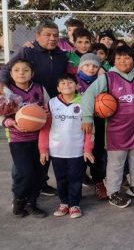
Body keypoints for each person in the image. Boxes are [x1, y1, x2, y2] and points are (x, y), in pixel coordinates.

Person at [81, 45, 134, 208]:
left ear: (133, 59)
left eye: (127, 57)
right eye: (119, 58)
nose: (123, 61)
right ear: (114, 61)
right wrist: (87, 117)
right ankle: (113, 192)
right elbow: (88, 95)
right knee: (116, 162)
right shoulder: (108, 77)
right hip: (117, 128)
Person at [0, 20, 67, 196]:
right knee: (23, 160)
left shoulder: (61, 54)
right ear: (37, 36)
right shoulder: (27, 50)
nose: (52, 38)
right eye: (47, 34)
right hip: (28, 109)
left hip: (53, 107)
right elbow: (6, 70)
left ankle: (41, 183)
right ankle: (19, 194)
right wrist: (4, 91)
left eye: (55, 35)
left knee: (45, 148)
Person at [38, 75, 94, 219]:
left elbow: (89, 129)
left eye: (70, 82)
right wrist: (43, 149)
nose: (66, 85)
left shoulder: (84, 102)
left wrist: (87, 149)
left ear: (77, 86)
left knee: (75, 178)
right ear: (58, 88)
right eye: (62, 83)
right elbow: (45, 128)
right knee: (61, 178)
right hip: (57, 150)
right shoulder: (51, 103)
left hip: (76, 150)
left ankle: (74, 204)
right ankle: (64, 203)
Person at [0, 59, 50, 218]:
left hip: (40, 138)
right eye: (17, 70)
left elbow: (48, 109)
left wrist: (45, 114)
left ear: (32, 73)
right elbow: (1, 116)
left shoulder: (40, 89)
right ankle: (19, 199)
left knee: (39, 173)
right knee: (25, 172)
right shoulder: (5, 92)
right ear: (11, 74)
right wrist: (10, 122)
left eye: (25, 70)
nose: (21, 73)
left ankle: (32, 202)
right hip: (18, 138)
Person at [75, 54, 108, 199]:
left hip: (98, 122)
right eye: (87, 65)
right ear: (80, 67)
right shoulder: (72, 82)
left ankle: (98, 181)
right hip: (77, 123)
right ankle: (76, 185)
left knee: (97, 153)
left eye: (95, 66)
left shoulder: (102, 82)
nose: (91, 68)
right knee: (78, 154)